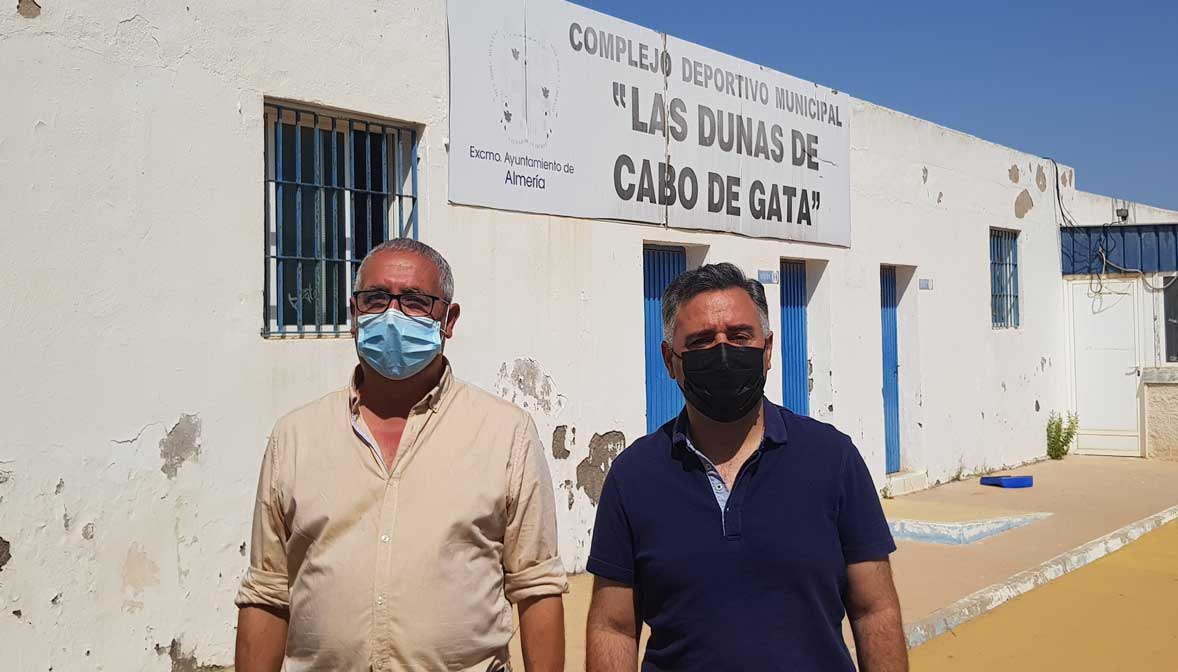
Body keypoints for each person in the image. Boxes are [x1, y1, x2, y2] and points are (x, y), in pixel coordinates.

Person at [234, 238, 567, 672]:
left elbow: (536, 584)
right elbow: (267, 591)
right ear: (354, 314)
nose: (391, 315)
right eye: (374, 299)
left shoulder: (505, 434)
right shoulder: (294, 437)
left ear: (448, 319)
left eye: (414, 301)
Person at [585, 262, 907, 672]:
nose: (722, 353)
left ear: (768, 350)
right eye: (701, 341)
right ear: (670, 360)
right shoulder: (634, 476)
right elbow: (613, 628)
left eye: (739, 336)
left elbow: (874, 610)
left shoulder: (833, 459)